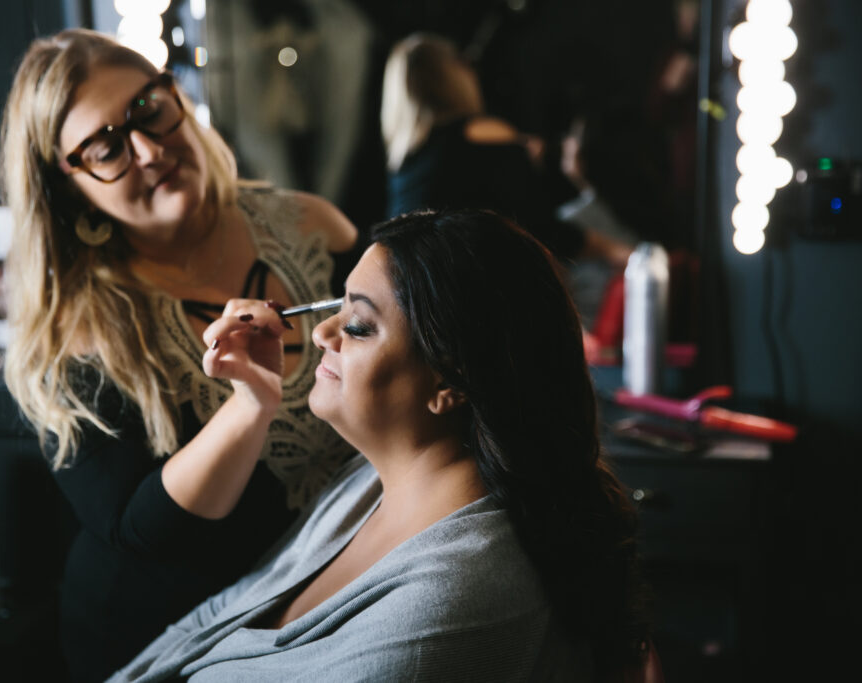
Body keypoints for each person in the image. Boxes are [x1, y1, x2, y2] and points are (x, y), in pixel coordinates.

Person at [110, 209, 653, 682]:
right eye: (338, 306)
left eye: (359, 325)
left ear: (452, 382)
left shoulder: (452, 603)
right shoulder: (366, 483)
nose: (321, 333)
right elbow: (208, 624)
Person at [0, 29, 360, 682]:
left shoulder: (312, 227)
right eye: (105, 147)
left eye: (148, 108)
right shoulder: (78, 331)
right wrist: (248, 407)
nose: (148, 150)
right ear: (68, 186)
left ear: (177, 97)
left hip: (333, 600)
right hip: (170, 639)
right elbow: (146, 532)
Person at [381, 33, 633, 268]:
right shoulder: (478, 130)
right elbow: (543, 228)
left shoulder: (403, 165)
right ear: (450, 76)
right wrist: (616, 251)